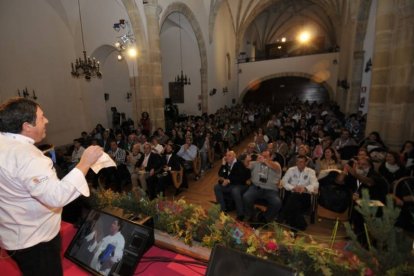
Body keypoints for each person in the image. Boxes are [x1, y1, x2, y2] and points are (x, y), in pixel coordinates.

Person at [0, 97, 103, 276]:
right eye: (42, 117)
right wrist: (85, 163)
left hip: (12, 232)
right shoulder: (27, 156)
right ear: (27, 126)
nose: (46, 120)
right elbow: (56, 197)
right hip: (35, 240)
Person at [243, 150, 283, 224]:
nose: (262, 157)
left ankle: (265, 218)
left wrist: (264, 161)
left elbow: (275, 167)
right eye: (262, 155)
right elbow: (246, 165)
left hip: (271, 190)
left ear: (271, 157)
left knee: (277, 202)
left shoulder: (276, 164)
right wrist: (247, 160)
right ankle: (251, 215)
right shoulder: (256, 163)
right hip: (256, 187)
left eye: (265, 156)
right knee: (246, 197)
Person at [280, 155, 319, 231]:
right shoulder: (291, 170)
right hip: (291, 194)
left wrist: (304, 188)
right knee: (294, 199)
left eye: (301, 162)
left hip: (304, 196)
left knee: (293, 200)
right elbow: (283, 182)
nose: (299, 163)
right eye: (297, 161)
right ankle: (298, 226)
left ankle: (282, 216)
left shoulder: (311, 172)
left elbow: (316, 185)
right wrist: (293, 187)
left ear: (306, 163)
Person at [214, 151, 250, 221]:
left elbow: (242, 178)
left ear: (234, 157)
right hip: (231, 185)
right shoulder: (227, 164)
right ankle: (222, 210)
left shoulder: (239, 164)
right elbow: (221, 174)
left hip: (240, 185)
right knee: (217, 187)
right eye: (226, 156)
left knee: (235, 190)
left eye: (229, 155)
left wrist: (229, 180)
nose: (227, 157)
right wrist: (223, 164)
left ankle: (240, 214)